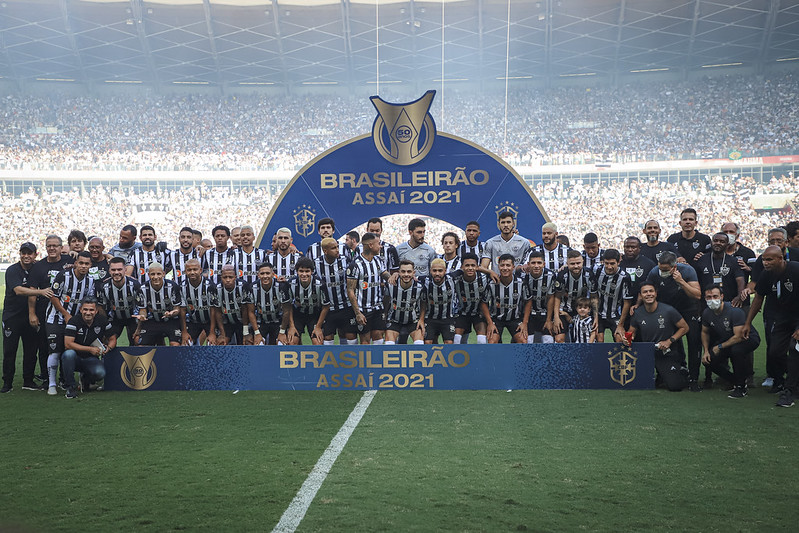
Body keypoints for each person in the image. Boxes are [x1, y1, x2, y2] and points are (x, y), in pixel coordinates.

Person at [742, 246, 799, 406]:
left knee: (795, 348)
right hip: (783, 318)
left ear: (781, 259)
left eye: (769, 259)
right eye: (764, 260)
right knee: (774, 352)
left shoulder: (796, 270)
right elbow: (759, 298)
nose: (765, 263)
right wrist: (748, 323)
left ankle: (789, 391)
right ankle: (792, 380)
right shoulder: (766, 275)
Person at [644, 251, 702, 391]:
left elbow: (697, 294)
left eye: (665, 270)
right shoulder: (654, 272)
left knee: (694, 342)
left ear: (674, 267)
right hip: (669, 311)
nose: (662, 272)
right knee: (670, 342)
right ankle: (673, 372)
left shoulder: (687, 271)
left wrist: (681, 281)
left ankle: (694, 378)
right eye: (660, 268)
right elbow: (648, 290)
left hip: (689, 309)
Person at [2, 243, 52, 393]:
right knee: (10, 351)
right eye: (23, 253)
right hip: (12, 317)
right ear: (19, 254)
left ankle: (28, 381)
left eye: (29, 253)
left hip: (31, 316)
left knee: (31, 350)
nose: (26, 256)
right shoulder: (13, 270)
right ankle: (7, 383)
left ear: (35, 254)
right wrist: (41, 292)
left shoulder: (37, 269)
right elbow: (18, 290)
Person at [44, 251, 96, 395]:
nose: (83, 266)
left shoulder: (90, 281)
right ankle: (52, 384)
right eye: (81, 263)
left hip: (75, 321)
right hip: (56, 319)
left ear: (90, 265)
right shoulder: (63, 276)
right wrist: (66, 314)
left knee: (73, 352)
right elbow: (53, 297)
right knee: (55, 351)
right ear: (76, 263)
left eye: (86, 264)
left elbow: (88, 302)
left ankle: (72, 381)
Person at [625, 282, 690, 392]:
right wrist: (627, 339)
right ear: (640, 295)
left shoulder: (668, 310)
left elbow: (685, 327)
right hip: (647, 352)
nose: (648, 294)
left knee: (675, 386)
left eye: (651, 291)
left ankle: (681, 370)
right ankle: (661, 374)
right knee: (635, 383)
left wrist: (670, 341)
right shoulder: (637, 313)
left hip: (666, 352)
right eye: (645, 292)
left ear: (656, 293)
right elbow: (632, 332)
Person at [701, 285, 760, 399]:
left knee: (736, 351)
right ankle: (734, 380)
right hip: (729, 338)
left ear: (722, 296)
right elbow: (704, 332)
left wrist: (719, 346)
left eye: (715, 296)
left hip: (748, 338)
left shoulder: (734, 311)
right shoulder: (707, 313)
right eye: (708, 297)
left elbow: (739, 337)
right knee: (709, 360)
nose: (712, 300)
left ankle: (741, 387)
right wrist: (706, 351)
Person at [28, 234, 71, 382]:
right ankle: (46, 378)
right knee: (44, 346)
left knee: (66, 344)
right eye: (49, 246)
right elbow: (32, 292)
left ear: (61, 248)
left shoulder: (69, 261)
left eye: (55, 246)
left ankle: (64, 378)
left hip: (66, 311)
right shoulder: (38, 266)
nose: (52, 248)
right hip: (44, 311)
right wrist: (32, 313)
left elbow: (86, 261)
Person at [61, 297, 115, 399]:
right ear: (81, 309)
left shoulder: (102, 320)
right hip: (75, 358)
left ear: (96, 311)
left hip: (91, 359)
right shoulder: (74, 321)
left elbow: (112, 338)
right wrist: (90, 349)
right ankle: (70, 387)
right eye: (85, 309)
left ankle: (86, 380)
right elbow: (68, 344)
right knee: (68, 354)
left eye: (91, 310)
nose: (88, 313)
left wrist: (109, 348)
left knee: (100, 373)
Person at [346, 232, 391, 344]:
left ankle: (378, 362)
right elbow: (350, 290)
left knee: (379, 338)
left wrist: (397, 277)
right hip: (363, 310)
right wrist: (357, 313)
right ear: (371, 245)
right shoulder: (355, 265)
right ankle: (365, 362)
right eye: (378, 243)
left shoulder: (378, 261)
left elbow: (387, 277)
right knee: (365, 340)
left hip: (377, 308)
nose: (380, 246)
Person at [314, 238, 358, 345]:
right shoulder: (316, 263)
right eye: (333, 248)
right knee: (328, 338)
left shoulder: (345, 260)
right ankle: (330, 361)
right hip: (328, 309)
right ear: (325, 251)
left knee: (350, 336)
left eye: (337, 247)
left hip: (346, 306)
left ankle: (352, 361)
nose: (337, 250)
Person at [481, 254, 530, 344]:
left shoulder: (521, 283)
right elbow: (484, 303)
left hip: (515, 318)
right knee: (492, 341)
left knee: (523, 341)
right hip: (496, 319)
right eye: (502, 265)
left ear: (513, 267)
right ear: (498, 267)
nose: (505, 268)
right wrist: (490, 323)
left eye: (508, 265)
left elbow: (528, 301)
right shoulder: (492, 284)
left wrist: (525, 323)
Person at [280, 258, 330, 345]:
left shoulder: (320, 284)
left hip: (314, 315)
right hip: (298, 315)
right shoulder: (290, 284)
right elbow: (288, 306)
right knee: (292, 342)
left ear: (312, 271)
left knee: (318, 342)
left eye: (307, 271)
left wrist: (318, 327)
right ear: (297, 271)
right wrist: (291, 326)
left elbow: (326, 306)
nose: (304, 274)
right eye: (301, 271)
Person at [135, 262, 185, 347]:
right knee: (140, 345)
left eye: (158, 274)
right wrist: (142, 316)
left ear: (163, 274)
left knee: (175, 345)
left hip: (171, 321)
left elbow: (177, 308)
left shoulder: (172, 286)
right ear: (148, 275)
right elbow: (143, 310)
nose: (155, 277)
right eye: (152, 274)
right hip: (153, 320)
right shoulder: (142, 288)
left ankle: (171, 360)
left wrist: (172, 313)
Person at [97, 257, 143, 347]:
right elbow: (101, 308)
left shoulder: (135, 285)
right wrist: (105, 326)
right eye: (113, 270)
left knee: (137, 341)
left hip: (132, 318)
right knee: (107, 341)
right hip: (115, 318)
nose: (116, 272)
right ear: (109, 271)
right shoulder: (104, 287)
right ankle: (109, 361)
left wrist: (139, 328)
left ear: (125, 270)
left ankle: (133, 360)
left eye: (119, 269)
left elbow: (141, 307)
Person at [552, 250, 596, 343]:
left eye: (578, 263)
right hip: (564, 310)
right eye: (572, 263)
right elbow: (557, 297)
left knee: (585, 337)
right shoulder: (562, 275)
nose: (576, 266)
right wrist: (556, 317)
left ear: (583, 261)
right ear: (567, 263)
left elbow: (594, 297)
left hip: (581, 309)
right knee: (559, 339)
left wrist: (595, 317)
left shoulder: (589, 274)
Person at [694, 232, 745, 306]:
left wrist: (739, 295)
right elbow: (696, 281)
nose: (718, 243)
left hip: (728, 303)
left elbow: (740, 280)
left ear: (727, 245)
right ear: (711, 243)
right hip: (706, 303)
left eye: (722, 242)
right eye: (715, 241)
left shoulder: (734, 261)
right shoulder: (701, 260)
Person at [593, 248, 633, 342]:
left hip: (615, 314)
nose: (609, 267)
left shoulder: (624, 277)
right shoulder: (597, 270)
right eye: (606, 263)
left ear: (619, 262)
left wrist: (620, 325)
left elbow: (627, 302)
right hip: (598, 313)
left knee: (620, 338)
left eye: (612, 263)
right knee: (599, 338)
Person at [452, 253, 491, 344]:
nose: (470, 268)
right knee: (457, 340)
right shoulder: (456, 279)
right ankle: (459, 357)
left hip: (479, 313)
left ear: (477, 267)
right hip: (462, 313)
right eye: (467, 265)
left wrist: (491, 272)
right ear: (462, 267)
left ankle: (481, 358)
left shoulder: (484, 278)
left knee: (481, 341)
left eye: (473, 265)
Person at [384, 260, 426, 345]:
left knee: (419, 344)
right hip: (394, 320)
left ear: (413, 273)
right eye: (403, 271)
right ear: (398, 272)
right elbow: (385, 301)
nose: (406, 274)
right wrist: (384, 318)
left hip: (413, 321)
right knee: (389, 345)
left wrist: (421, 319)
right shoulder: (390, 285)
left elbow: (423, 302)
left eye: (409, 271)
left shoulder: (420, 287)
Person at [217, 264, 260, 346]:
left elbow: (247, 310)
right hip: (227, 323)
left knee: (248, 342)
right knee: (221, 343)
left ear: (235, 277)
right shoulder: (217, 288)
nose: (228, 280)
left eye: (230, 277)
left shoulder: (244, 286)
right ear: (221, 278)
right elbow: (217, 312)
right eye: (225, 277)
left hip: (244, 322)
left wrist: (246, 332)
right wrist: (222, 334)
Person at [180, 258, 220, 346]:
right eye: (189, 270)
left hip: (209, 321)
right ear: (185, 271)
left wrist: (212, 332)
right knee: (185, 345)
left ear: (200, 270)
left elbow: (213, 310)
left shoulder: (210, 286)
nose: (192, 272)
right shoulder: (182, 286)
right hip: (193, 321)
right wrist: (184, 332)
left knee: (212, 344)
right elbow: (182, 310)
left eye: (195, 269)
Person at [522, 250, 556, 344]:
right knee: (527, 341)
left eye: (539, 263)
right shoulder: (522, 276)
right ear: (528, 264)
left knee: (548, 341)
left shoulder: (550, 276)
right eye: (533, 263)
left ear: (544, 264)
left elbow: (550, 298)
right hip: (527, 315)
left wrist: (549, 320)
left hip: (545, 314)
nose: (536, 266)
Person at [423, 258, 457, 344]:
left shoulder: (452, 279)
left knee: (449, 342)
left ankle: (447, 357)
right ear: (430, 271)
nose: (437, 273)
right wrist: (395, 274)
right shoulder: (425, 281)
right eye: (434, 271)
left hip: (447, 318)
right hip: (430, 318)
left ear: (445, 271)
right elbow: (409, 276)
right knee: (428, 342)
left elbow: (464, 270)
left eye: (440, 271)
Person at [251, 262, 285, 345]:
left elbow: (287, 311)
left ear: (273, 274)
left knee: (282, 344)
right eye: (262, 274)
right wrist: (257, 333)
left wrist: (282, 332)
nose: (265, 276)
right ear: (258, 275)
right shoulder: (252, 288)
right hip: (261, 322)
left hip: (278, 322)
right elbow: (250, 312)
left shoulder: (281, 287)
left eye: (267, 273)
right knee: (258, 345)